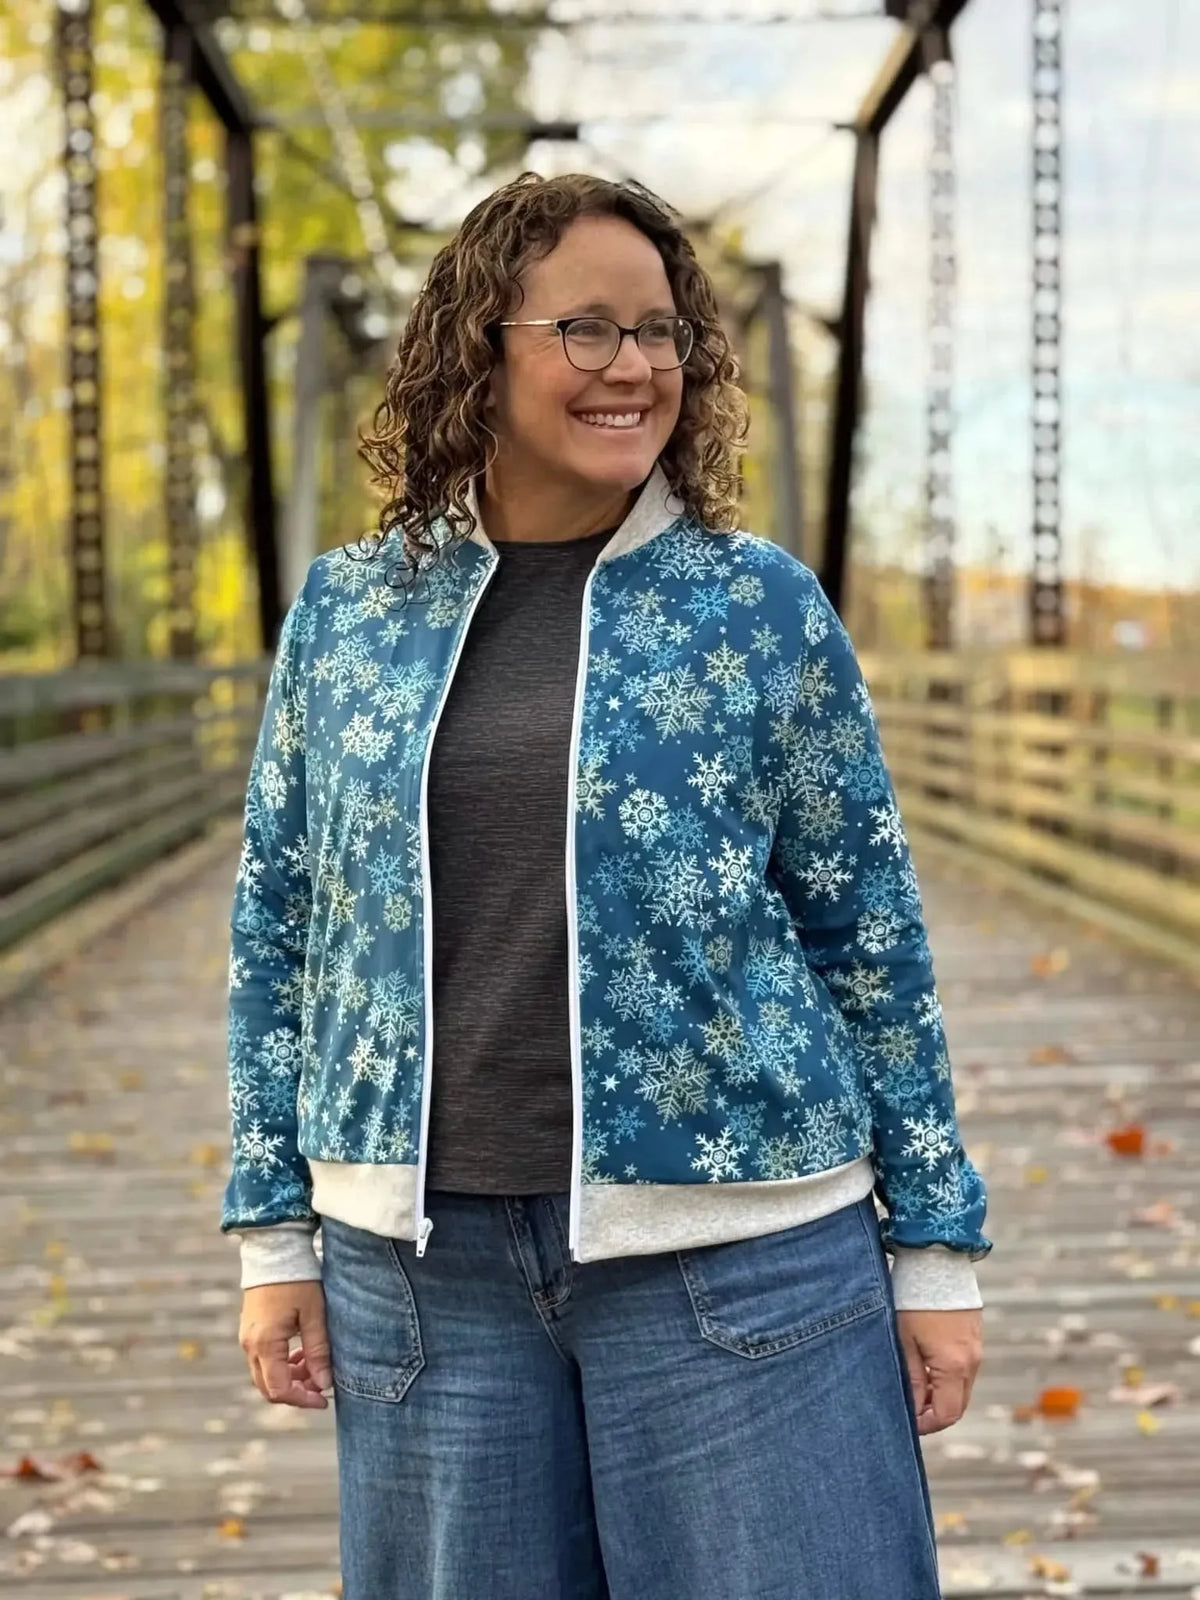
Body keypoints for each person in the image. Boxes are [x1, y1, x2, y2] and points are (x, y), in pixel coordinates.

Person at [223, 171, 990, 1600]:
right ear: (480, 346)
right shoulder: (347, 611)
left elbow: (867, 930)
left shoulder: (757, 605)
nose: (633, 365)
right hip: (419, 1278)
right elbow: (281, 926)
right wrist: (275, 1229)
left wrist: (935, 1249)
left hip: (741, 1255)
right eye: (583, 328)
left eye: (660, 332)